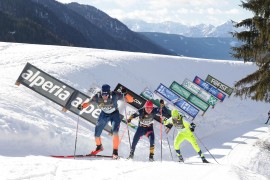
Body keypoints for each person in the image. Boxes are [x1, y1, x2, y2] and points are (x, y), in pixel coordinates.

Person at [78, 84, 133, 159]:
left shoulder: (115, 95)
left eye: (106, 94)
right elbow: (88, 103)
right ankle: (99, 146)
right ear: (101, 93)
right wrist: (82, 106)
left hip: (114, 114)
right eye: (103, 94)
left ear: (109, 93)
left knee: (115, 132)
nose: (105, 96)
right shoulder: (97, 96)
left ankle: (115, 151)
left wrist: (125, 94)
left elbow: (131, 100)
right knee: (97, 134)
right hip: (104, 114)